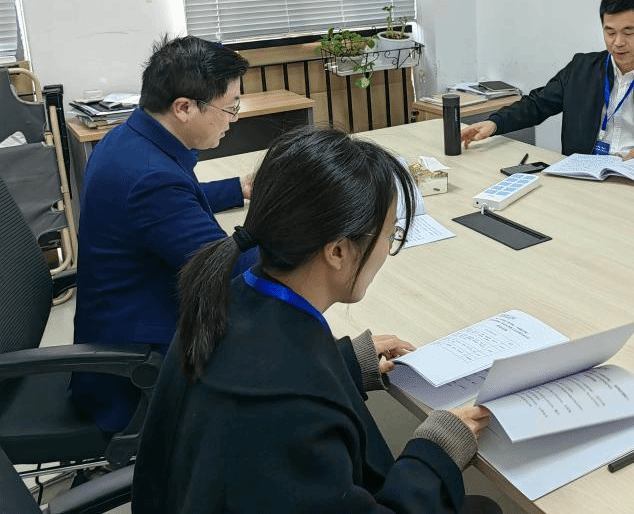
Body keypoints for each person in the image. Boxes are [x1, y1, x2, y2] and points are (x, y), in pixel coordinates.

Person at [132, 127, 496, 514]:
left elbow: (265, 372)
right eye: (389, 235)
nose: (386, 249)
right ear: (338, 251)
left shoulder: (229, 295)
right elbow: (283, 401)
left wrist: (342, 363)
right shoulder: (290, 411)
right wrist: (434, 454)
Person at [72, 35, 256, 434]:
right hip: (140, 368)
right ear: (184, 108)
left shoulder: (127, 140)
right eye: (230, 107)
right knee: (275, 335)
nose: (234, 118)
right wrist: (297, 224)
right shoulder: (151, 181)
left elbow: (167, 204)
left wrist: (236, 188)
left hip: (118, 325)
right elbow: (235, 267)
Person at [460, 0, 634, 189]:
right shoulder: (581, 69)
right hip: (582, 180)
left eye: (628, 32)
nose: (618, 42)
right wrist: (495, 123)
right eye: (610, 32)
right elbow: (537, 104)